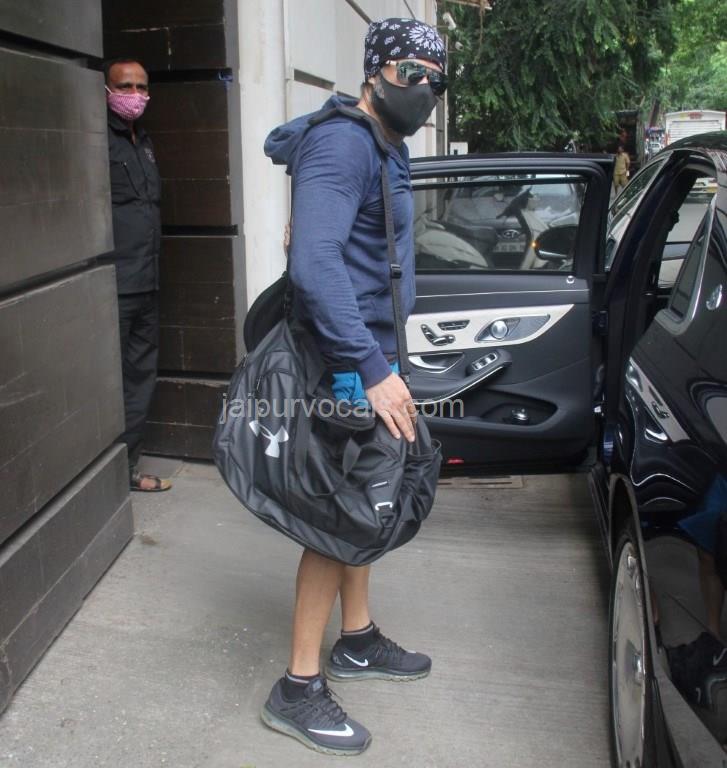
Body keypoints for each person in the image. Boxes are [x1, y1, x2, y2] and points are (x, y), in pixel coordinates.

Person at [260, 18, 447, 755]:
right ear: (374, 72)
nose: (424, 88)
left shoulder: (384, 142)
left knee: (371, 494)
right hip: (349, 359)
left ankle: (358, 638)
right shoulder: (345, 143)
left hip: (372, 350)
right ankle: (297, 685)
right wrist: (370, 371)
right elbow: (315, 263)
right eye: (409, 72)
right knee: (343, 513)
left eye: (435, 78)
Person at [100, 58, 171, 493]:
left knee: (140, 379)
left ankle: (128, 468)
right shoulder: (98, 140)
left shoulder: (143, 141)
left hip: (148, 281)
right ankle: (102, 482)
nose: (135, 95)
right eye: (125, 86)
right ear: (107, 90)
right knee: (108, 382)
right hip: (114, 285)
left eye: (142, 87)